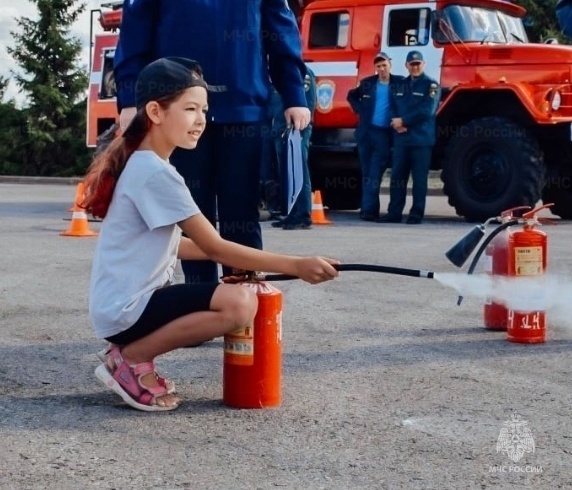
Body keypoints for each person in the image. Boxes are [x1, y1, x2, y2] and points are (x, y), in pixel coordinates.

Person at [82, 57, 339, 412]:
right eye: (190, 108)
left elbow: (181, 247)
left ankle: (128, 354)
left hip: (121, 308)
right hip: (127, 311)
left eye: (204, 109)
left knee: (235, 292)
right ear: (155, 112)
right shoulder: (156, 173)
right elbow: (214, 245)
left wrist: (249, 265)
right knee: (239, 304)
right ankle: (131, 359)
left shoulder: (144, 164)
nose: (201, 119)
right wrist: (296, 265)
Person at [114, 0, 311, 284]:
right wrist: (131, 99)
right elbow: (135, 30)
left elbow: (281, 29)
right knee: (190, 217)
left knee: (242, 216)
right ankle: (201, 305)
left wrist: (294, 93)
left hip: (243, 112)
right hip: (178, 110)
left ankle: (242, 315)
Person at [380, 50, 440, 225]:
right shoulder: (399, 85)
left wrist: (404, 121)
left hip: (421, 141)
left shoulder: (431, 85)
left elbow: (427, 111)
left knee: (419, 180)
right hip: (401, 140)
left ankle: (416, 214)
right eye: (412, 64)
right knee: (397, 178)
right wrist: (395, 121)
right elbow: (391, 106)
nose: (415, 67)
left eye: (418, 64)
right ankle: (394, 213)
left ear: (423, 64)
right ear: (406, 65)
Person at [347, 52, 403, 222]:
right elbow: (351, 95)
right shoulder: (367, 84)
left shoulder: (400, 83)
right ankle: (368, 209)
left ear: (390, 64)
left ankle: (369, 210)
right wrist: (360, 110)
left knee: (374, 173)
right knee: (366, 173)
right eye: (378, 66)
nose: (381, 69)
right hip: (366, 133)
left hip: (384, 134)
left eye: (384, 65)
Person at [271, 66, 317, 230]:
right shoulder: (276, 72)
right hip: (280, 129)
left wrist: (299, 127)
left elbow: (308, 103)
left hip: (296, 129)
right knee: (288, 173)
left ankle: (303, 215)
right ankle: (292, 213)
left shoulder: (302, 72)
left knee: (299, 171)